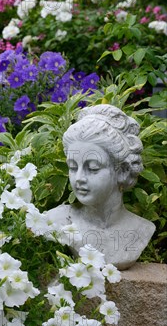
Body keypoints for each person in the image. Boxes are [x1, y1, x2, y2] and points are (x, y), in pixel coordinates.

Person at [45, 104, 155, 270]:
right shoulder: (55, 221)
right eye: (73, 167)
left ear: (123, 171)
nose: (79, 178)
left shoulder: (141, 230)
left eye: (93, 168)